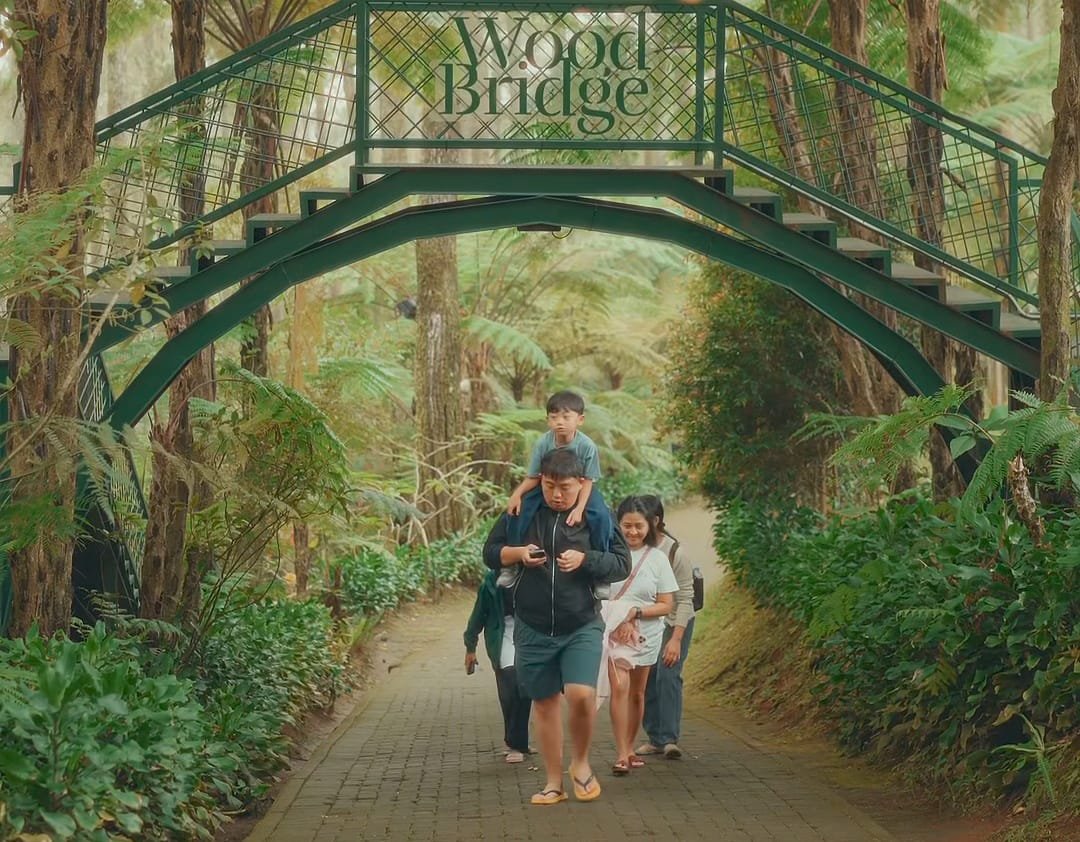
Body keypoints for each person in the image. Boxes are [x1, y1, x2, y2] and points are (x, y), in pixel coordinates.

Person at [483, 448, 631, 806]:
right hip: (532, 626)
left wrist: (586, 559)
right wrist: (519, 554)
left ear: (581, 483)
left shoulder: (596, 515)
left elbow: (621, 563)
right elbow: (491, 552)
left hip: (581, 623)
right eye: (549, 486)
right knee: (545, 703)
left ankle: (580, 763)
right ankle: (554, 783)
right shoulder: (524, 510)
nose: (557, 495)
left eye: (565, 487)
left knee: (581, 695)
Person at [601, 496, 677, 776]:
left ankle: (630, 748)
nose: (632, 532)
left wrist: (635, 612)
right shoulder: (607, 554)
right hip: (614, 633)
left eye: (638, 526)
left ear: (650, 526)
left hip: (647, 633)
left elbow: (666, 604)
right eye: (626, 525)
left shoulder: (658, 559)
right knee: (619, 688)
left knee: (637, 693)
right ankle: (621, 753)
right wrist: (619, 618)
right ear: (617, 524)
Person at [636, 494, 696, 760]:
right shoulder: (633, 549)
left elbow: (685, 599)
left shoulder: (674, 552)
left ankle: (669, 739)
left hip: (675, 620)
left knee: (668, 674)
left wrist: (676, 639)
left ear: (656, 520)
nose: (635, 529)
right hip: (647, 621)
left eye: (641, 522)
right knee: (647, 677)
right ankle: (655, 738)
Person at [463, 569, 531, 763]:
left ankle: (520, 742)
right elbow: (478, 614)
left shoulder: (533, 572)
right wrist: (470, 647)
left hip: (529, 634)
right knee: (509, 687)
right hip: (502, 636)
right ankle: (513, 743)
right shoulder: (490, 582)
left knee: (525, 690)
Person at [506, 390, 601, 527]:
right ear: (548, 420)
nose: (559, 422)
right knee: (520, 511)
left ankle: (604, 541)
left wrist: (580, 508)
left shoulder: (587, 446)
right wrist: (517, 494)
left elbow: (587, 480)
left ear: (580, 420)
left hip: (579, 488)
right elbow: (534, 476)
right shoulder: (542, 443)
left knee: (600, 515)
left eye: (566, 417)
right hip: (548, 487)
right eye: (554, 417)